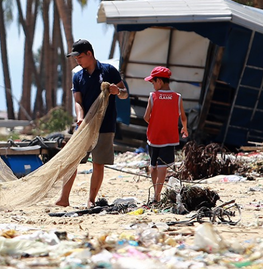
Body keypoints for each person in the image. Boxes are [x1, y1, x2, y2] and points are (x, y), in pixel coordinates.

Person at [56, 39, 129, 207]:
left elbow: (124, 94)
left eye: (80, 57)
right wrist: (80, 117)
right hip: (84, 126)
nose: (77, 61)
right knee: (71, 161)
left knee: (98, 163)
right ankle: (64, 198)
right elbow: (77, 101)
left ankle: (91, 199)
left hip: (105, 125)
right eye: (75, 58)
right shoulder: (78, 76)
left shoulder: (109, 71)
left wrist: (117, 91)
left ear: (90, 53)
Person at [143, 66, 188, 204]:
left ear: (160, 82)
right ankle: (157, 195)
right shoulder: (177, 97)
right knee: (163, 167)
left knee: (153, 166)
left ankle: (155, 194)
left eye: (153, 82)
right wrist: (184, 129)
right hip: (169, 138)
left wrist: (156, 122)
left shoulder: (153, 96)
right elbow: (183, 117)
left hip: (154, 137)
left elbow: (146, 117)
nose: (153, 85)